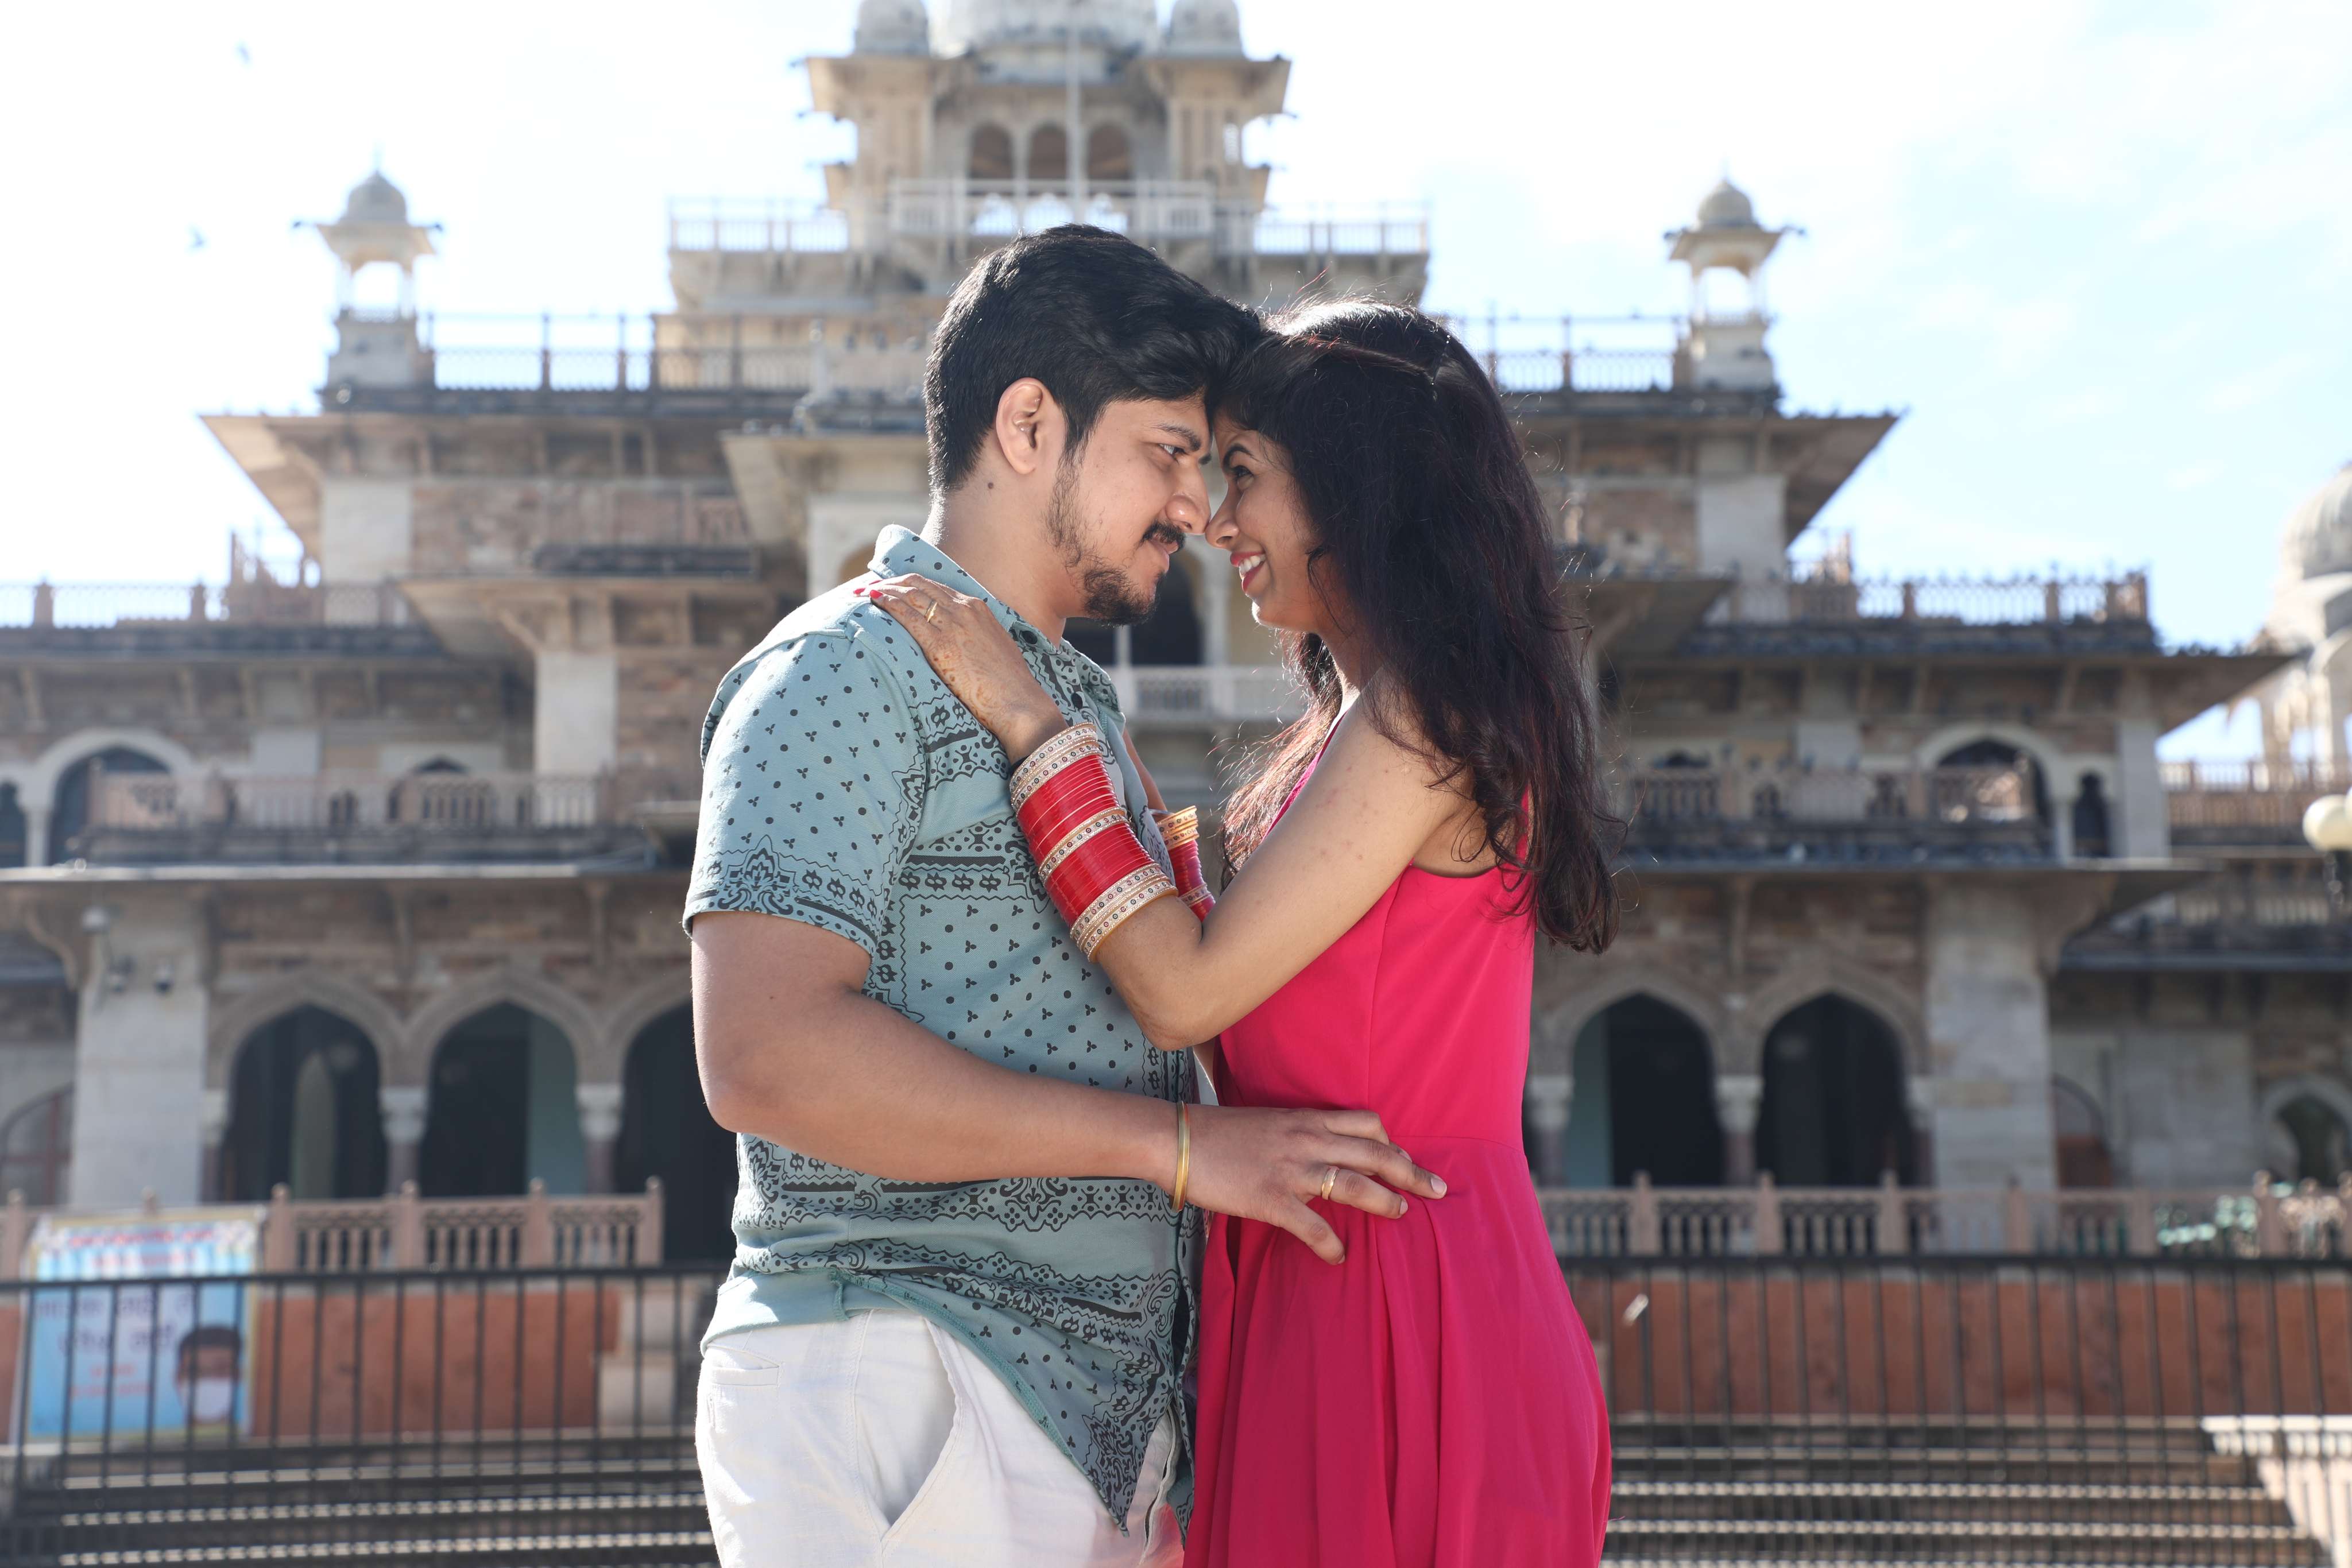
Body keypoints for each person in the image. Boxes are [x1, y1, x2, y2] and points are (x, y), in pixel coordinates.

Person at [684, 231, 1445, 1568]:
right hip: (906, 1363)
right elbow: (765, 1054)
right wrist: (1179, 1152)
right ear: (1029, 424)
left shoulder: (1067, 711)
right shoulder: (844, 666)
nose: (1195, 508)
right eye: (1165, 450)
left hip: (1069, 1421)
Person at [862, 300, 1621, 1568]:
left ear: (1354, 488)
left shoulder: (1419, 722)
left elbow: (1181, 988)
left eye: (1245, 477)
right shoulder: (1358, 729)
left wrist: (1031, 724)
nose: (1215, 524)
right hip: (1313, 1276)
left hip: (1402, 1296)